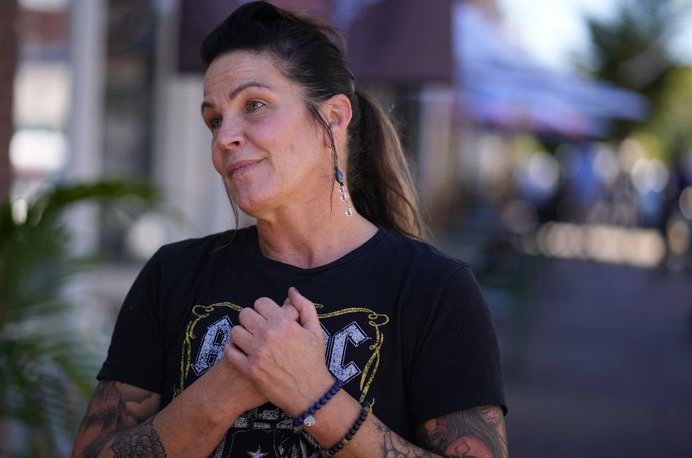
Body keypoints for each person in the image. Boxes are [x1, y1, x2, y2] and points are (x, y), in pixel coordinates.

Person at [72, 2, 507, 457]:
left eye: (254, 105)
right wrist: (221, 392)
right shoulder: (172, 275)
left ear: (334, 120)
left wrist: (312, 395)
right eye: (214, 119)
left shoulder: (433, 289)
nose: (224, 138)